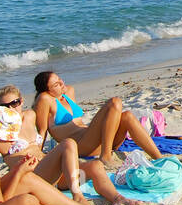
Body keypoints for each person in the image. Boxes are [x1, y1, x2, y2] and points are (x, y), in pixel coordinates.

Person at [0, 85, 138, 205]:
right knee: (68, 143)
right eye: (6, 106)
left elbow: (44, 128)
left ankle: (117, 198)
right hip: (35, 178)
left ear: (21, 101)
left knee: (95, 166)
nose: (12, 108)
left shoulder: (30, 115)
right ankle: (77, 195)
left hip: (56, 177)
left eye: (15, 103)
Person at [33, 71, 163, 169]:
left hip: (101, 140)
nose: (62, 83)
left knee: (127, 116)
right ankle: (105, 156)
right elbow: (42, 130)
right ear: (47, 91)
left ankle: (159, 158)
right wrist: (38, 154)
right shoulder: (44, 99)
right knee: (114, 102)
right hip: (81, 146)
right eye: (56, 84)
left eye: (59, 79)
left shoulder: (69, 91)